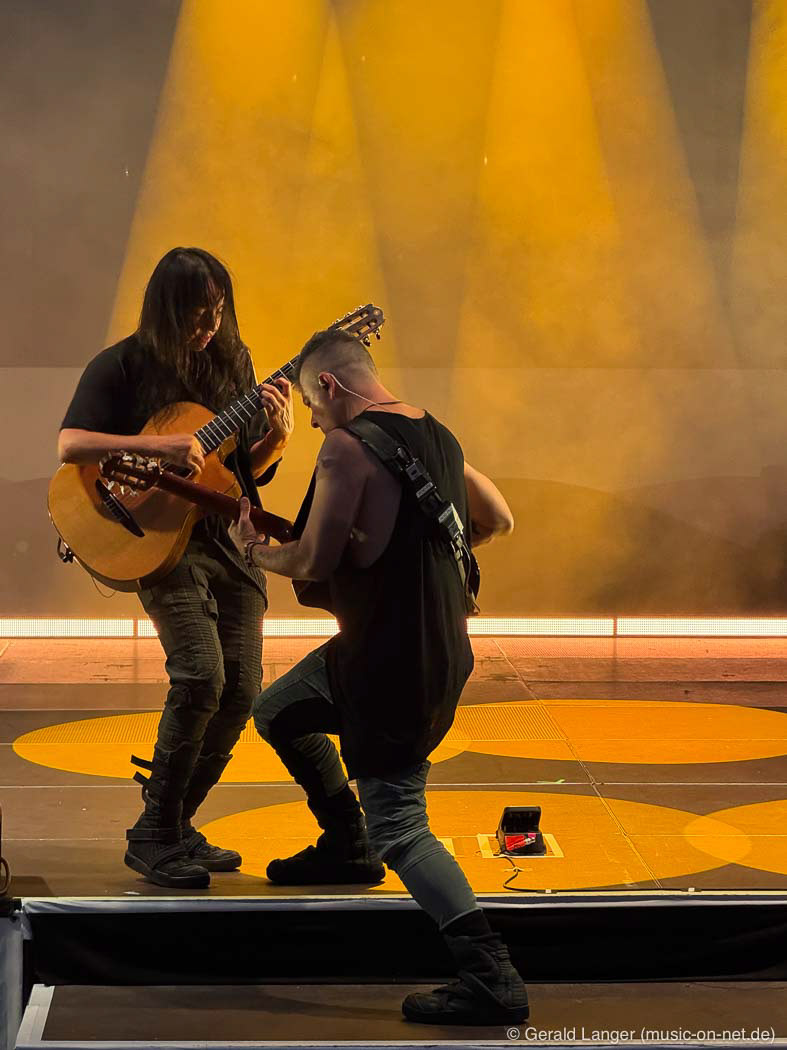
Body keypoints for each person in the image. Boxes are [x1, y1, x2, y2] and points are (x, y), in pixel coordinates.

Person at [229, 329, 528, 1025]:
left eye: (310, 406)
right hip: (428, 649)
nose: (311, 422)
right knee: (278, 710)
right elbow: (498, 519)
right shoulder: (437, 436)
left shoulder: (346, 446)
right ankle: (346, 843)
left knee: (402, 826)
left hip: (387, 665)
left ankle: (491, 976)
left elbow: (311, 560)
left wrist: (253, 548)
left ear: (329, 386)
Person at [58, 247, 294, 889]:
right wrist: (157, 445)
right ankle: (157, 834)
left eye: (217, 310)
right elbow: (71, 444)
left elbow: (239, 473)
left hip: (226, 537)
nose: (209, 325)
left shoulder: (234, 363)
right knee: (200, 676)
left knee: (241, 688)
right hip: (162, 542)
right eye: (196, 312)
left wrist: (275, 441)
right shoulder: (123, 364)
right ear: (165, 309)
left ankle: (171, 825)